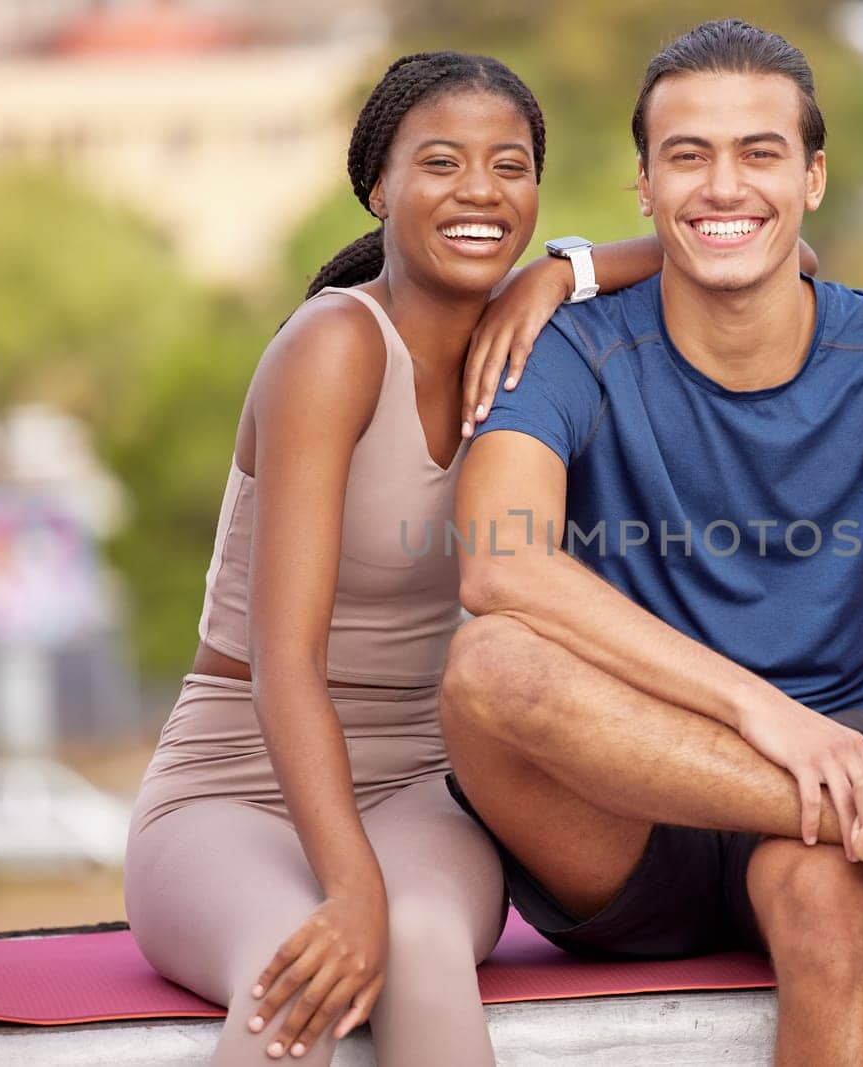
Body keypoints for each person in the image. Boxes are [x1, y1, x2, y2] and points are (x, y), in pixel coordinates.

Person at [440, 19, 863, 1067]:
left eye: (758, 153)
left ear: (812, 176)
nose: (724, 187)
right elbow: (500, 562)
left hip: (834, 828)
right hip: (621, 811)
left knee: (823, 896)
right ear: (643, 185)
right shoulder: (566, 352)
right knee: (486, 663)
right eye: (688, 155)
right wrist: (765, 715)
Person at [121, 51, 737, 1066]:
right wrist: (351, 883)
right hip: (234, 782)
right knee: (300, 971)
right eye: (442, 162)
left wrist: (565, 271)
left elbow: (776, 265)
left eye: (510, 166)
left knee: (422, 953)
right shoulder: (333, 345)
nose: (480, 192)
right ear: (379, 186)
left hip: (422, 784)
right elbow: (284, 667)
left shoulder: (545, 350)